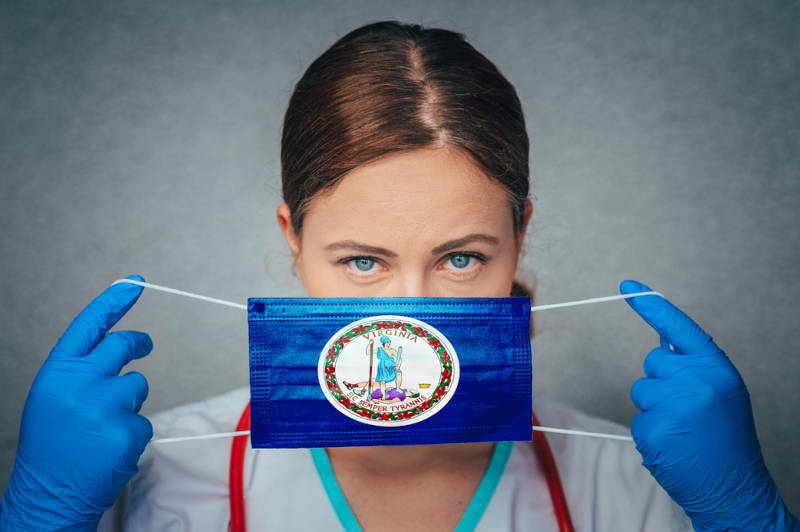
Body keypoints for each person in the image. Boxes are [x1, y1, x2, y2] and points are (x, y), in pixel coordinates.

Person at [1, 20, 797, 532]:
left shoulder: (636, 485)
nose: (411, 316)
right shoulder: (152, 478)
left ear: (517, 239)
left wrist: (745, 521)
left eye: (461, 258)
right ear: (294, 239)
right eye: (361, 261)